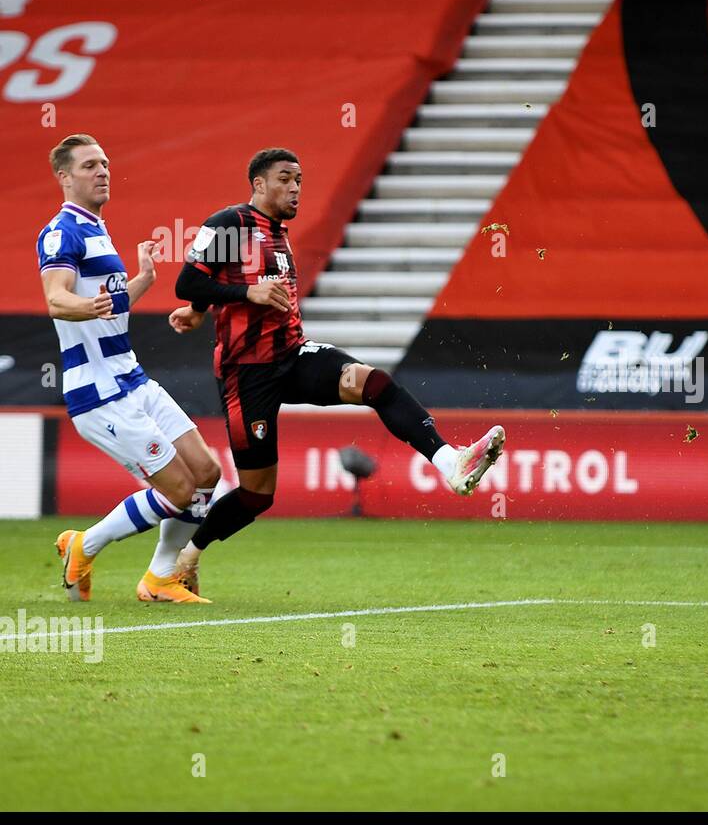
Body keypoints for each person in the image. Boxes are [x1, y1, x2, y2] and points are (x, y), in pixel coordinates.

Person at [168, 148, 504, 598]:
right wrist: (218, 299)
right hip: (246, 374)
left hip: (293, 354)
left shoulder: (278, 235)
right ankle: (187, 557)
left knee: (374, 383)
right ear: (259, 185)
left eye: (300, 181)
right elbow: (188, 280)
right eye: (285, 179)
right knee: (257, 494)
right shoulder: (231, 223)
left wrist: (200, 309)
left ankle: (451, 463)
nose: (295, 189)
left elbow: (213, 288)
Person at [38, 133, 222, 605]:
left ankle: (159, 578)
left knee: (206, 471)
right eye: (89, 166)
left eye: (104, 163)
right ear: (64, 177)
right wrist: (89, 305)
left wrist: (140, 283)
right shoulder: (62, 232)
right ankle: (87, 545)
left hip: (132, 379)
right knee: (179, 489)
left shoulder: (98, 228)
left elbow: (108, 308)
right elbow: (57, 299)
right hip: (97, 392)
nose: (102, 172)